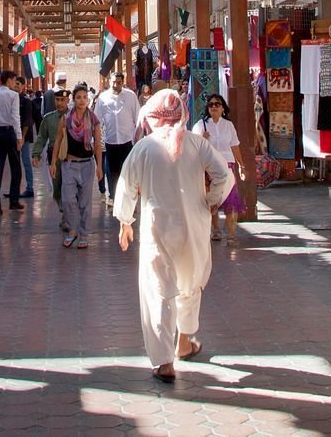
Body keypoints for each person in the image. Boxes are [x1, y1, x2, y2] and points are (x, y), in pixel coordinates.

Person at [115, 89, 231, 382]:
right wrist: (212, 199)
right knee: (191, 283)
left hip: (157, 228)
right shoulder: (196, 143)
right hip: (194, 225)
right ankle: (184, 340)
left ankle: (164, 361)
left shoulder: (143, 148)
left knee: (159, 289)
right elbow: (223, 174)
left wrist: (125, 221)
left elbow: (127, 186)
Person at [52, 85, 103, 248]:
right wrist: (53, 163)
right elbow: (58, 141)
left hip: (87, 165)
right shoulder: (66, 119)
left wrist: (99, 166)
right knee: (67, 200)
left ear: (88, 100)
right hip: (69, 164)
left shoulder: (93, 119)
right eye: (78, 97)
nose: (82, 100)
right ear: (73, 100)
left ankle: (84, 234)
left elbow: (97, 145)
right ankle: (72, 229)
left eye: (84, 97)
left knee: (85, 202)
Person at [192, 96, 248, 243]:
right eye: (211, 104)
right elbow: (192, 147)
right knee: (212, 199)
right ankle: (215, 230)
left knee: (231, 199)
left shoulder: (228, 125)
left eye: (217, 104)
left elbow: (235, 146)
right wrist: (202, 138)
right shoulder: (200, 125)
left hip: (227, 166)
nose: (214, 107)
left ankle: (231, 234)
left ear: (223, 108)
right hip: (209, 166)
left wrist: (241, 165)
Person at [95, 70, 140, 204]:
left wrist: (138, 137)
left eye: (119, 83)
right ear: (110, 82)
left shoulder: (131, 96)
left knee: (127, 170)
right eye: (114, 82)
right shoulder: (103, 98)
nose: (116, 85)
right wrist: (96, 140)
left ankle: (127, 197)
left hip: (127, 141)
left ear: (123, 82)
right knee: (112, 171)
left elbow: (137, 117)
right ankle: (113, 197)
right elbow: (97, 119)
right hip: (111, 140)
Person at [0, 72, 25, 215]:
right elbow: (15, 117)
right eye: (14, 81)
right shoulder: (13, 96)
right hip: (10, 133)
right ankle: (14, 200)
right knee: (16, 168)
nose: (15, 84)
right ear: (8, 81)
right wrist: (19, 137)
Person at [33, 89, 71, 236]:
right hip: (54, 158)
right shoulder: (49, 118)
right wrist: (36, 154)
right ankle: (64, 210)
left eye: (62, 100)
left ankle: (68, 217)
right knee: (56, 188)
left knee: (70, 187)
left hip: (70, 157)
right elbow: (41, 137)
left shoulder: (74, 116)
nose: (59, 103)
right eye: (57, 100)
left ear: (68, 100)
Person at [19, 77, 44, 198]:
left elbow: (28, 120)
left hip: (24, 136)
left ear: (23, 86)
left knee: (25, 161)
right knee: (16, 162)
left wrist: (23, 136)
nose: (15, 86)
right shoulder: (13, 99)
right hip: (15, 135)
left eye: (18, 84)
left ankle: (30, 187)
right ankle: (15, 188)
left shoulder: (26, 101)